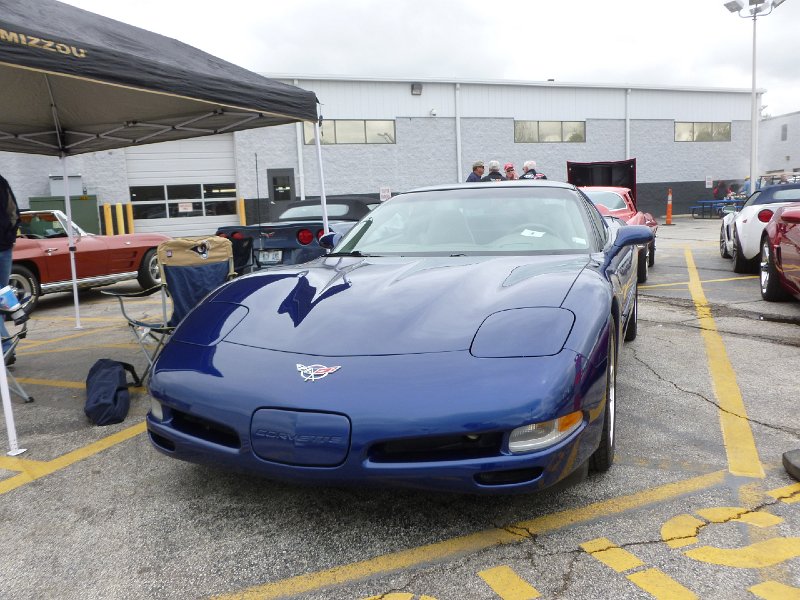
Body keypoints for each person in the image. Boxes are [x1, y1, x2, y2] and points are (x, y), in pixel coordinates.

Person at [0, 174, 20, 365]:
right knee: (2, 296)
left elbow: (13, 213)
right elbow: (13, 212)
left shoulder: (1, 182)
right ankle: (6, 348)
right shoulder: (1, 181)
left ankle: (5, 348)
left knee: (2, 297)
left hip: (4, 246)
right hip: (4, 246)